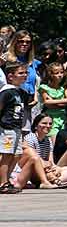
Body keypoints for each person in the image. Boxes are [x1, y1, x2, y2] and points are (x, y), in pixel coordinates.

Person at [0, 62, 30, 192]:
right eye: (21, 73)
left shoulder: (21, 92)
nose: (24, 75)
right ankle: (3, 183)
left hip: (17, 128)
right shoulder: (6, 92)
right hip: (7, 128)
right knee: (7, 155)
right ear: (11, 76)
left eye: (25, 73)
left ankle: (6, 179)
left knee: (17, 155)